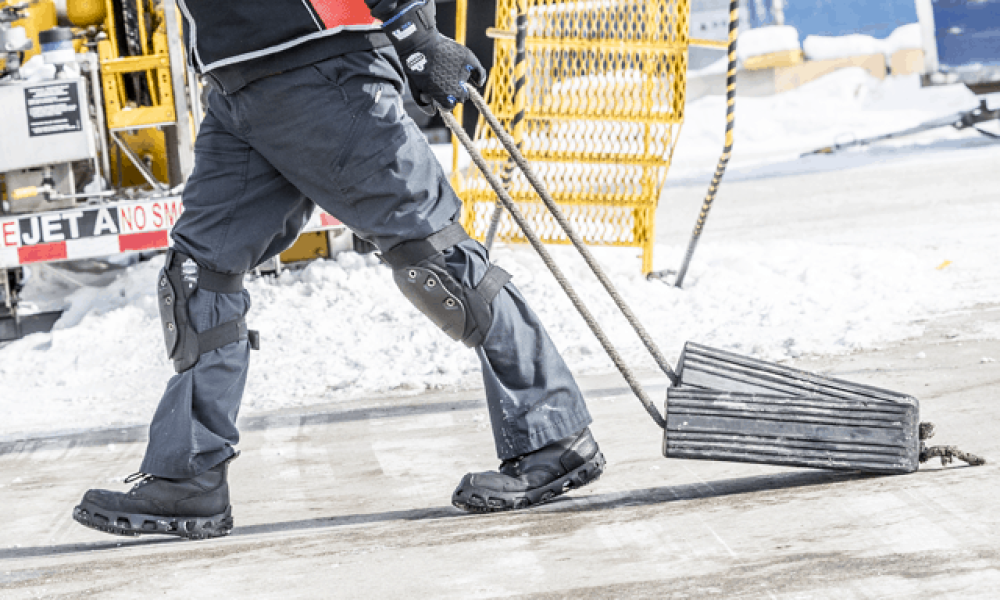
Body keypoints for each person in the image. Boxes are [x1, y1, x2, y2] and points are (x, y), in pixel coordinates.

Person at [72, 0, 604, 539]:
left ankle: (553, 435)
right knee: (198, 279)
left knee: (433, 260)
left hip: (325, 72)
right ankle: (189, 477)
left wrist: (415, 32)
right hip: (237, 87)